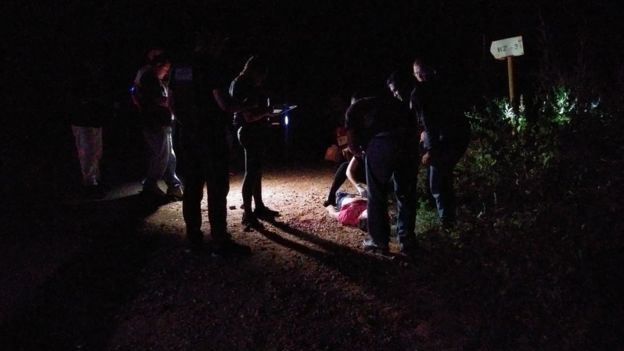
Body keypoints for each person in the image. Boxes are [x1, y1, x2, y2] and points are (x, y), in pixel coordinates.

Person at [180, 31, 251, 255]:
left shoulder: (180, 67)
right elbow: (223, 103)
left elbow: (172, 102)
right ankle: (219, 241)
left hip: (187, 137)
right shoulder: (213, 65)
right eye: (220, 42)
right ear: (212, 42)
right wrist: (244, 106)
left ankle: (194, 240)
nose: (222, 47)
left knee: (191, 189)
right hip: (211, 136)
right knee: (217, 188)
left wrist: (187, 126)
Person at [345, 73, 420, 254]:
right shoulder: (393, 103)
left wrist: (362, 153)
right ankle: (407, 240)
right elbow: (414, 127)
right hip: (409, 145)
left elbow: (352, 143)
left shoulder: (354, 109)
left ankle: (379, 242)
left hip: (382, 144)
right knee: (406, 193)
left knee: (377, 194)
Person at [411, 57, 470, 227]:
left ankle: (447, 222)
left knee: (437, 181)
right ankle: (444, 214)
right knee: (441, 176)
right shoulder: (443, 85)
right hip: (460, 133)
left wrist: (431, 150)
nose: (419, 76)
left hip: (447, 138)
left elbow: (430, 124)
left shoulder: (420, 93)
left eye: (419, 73)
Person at [229, 55, 278, 229]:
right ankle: (248, 213)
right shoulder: (243, 84)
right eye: (261, 74)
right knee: (251, 172)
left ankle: (258, 207)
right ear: (255, 71)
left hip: (254, 130)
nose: (262, 79)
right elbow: (248, 116)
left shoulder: (244, 83)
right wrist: (266, 113)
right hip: (249, 131)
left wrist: (265, 113)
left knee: (255, 171)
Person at [133, 53, 183, 199]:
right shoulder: (149, 78)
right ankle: (151, 185)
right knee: (161, 155)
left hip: (160, 122)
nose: (166, 73)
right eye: (166, 69)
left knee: (168, 155)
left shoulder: (149, 77)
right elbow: (158, 99)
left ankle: (173, 185)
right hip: (156, 123)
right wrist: (175, 101)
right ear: (158, 66)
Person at [68, 57, 111, 199]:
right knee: (88, 152)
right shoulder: (81, 80)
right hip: (83, 121)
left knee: (95, 151)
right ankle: (90, 183)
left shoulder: (94, 79)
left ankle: (94, 181)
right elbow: (79, 100)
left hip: (93, 120)